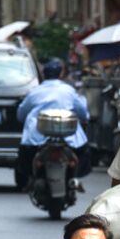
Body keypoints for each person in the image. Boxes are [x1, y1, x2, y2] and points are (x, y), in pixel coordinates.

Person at [17, 58, 90, 189]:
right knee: (84, 150)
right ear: (60, 74)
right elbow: (82, 111)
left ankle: (31, 181)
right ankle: (74, 178)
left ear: (44, 74)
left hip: (37, 137)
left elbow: (21, 114)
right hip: (69, 136)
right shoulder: (68, 90)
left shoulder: (35, 91)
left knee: (25, 153)